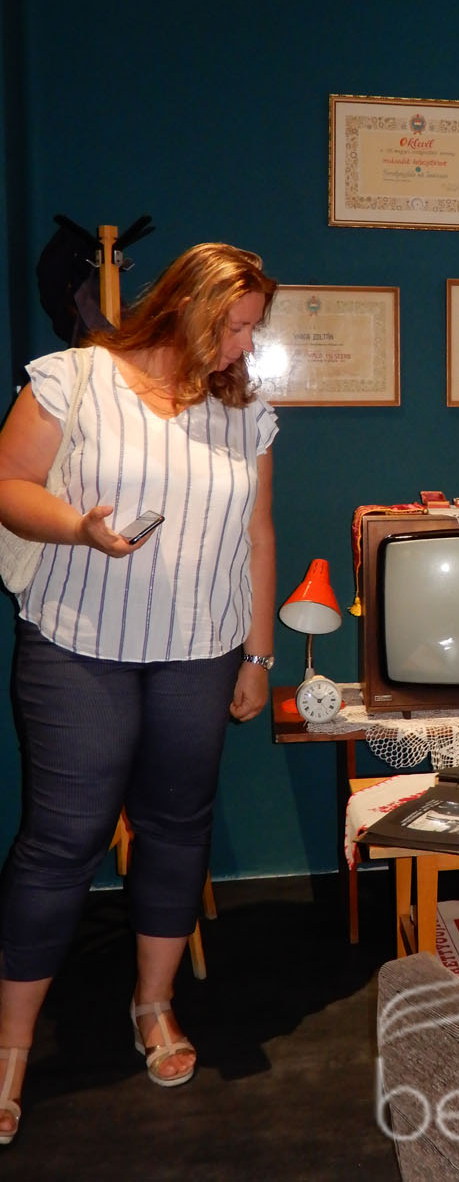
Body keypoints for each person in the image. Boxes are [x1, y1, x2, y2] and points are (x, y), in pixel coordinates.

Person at [0, 242, 278, 1142]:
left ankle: (153, 1005)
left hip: (200, 650)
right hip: (79, 644)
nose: (245, 345)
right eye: (235, 327)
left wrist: (258, 655)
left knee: (176, 825)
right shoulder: (74, 378)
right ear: (188, 309)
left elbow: (258, 534)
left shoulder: (246, 411)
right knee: (62, 840)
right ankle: (11, 1046)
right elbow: (8, 486)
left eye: (253, 329)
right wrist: (78, 527)